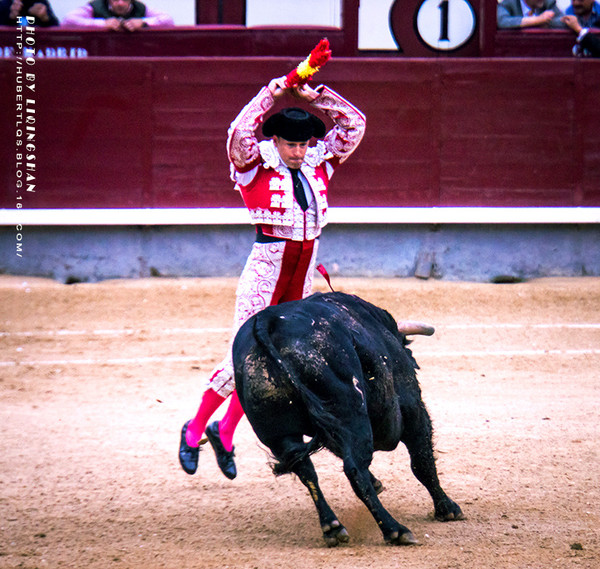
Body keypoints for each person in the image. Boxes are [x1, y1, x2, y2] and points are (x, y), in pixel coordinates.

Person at [178, 75, 366, 480]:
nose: (298, 152)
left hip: (301, 277)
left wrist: (316, 96)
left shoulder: (319, 163)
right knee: (241, 357)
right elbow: (239, 131)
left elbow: (354, 126)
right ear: (276, 141)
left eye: (303, 144)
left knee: (277, 362)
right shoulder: (252, 164)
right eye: (290, 144)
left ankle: (224, 432)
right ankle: (194, 430)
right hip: (265, 270)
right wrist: (274, 91)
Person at [62, 0, 173, 31]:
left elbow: (168, 20)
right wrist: (103, 23)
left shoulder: (140, 7)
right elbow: (68, 20)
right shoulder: (96, 5)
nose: (120, 3)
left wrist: (143, 22)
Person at [497, 0, 566, 28]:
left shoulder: (547, 3)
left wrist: (545, 21)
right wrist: (535, 20)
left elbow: (565, 21)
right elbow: (501, 21)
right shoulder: (509, 3)